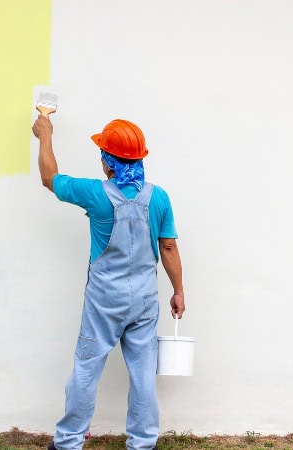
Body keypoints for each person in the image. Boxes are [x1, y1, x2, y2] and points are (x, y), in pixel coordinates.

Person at [32, 114, 185, 450]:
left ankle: (69, 441)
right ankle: (143, 443)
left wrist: (45, 134)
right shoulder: (158, 197)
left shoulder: (94, 193)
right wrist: (178, 291)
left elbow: (49, 178)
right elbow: (169, 246)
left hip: (103, 301)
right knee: (143, 372)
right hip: (144, 300)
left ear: (108, 162)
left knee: (86, 368)